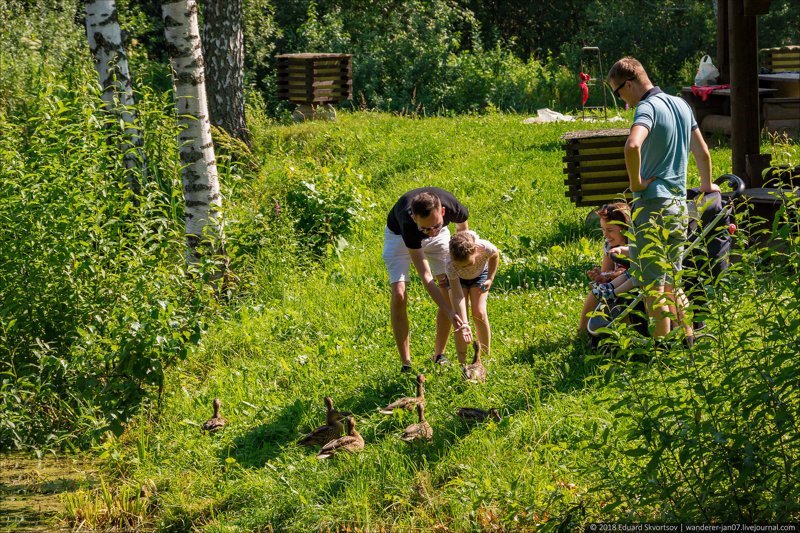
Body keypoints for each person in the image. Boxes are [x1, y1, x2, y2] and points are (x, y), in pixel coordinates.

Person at [607, 57, 719, 342]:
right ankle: (688, 340)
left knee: (652, 285)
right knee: (671, 280)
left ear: (629, 84)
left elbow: (632, 145)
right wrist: (707, 185)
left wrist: (636, 183)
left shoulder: (646, 108)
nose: (623, 101)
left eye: (618, 93)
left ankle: (661, 352)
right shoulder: (681, 105)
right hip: (679, 206)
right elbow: (703, 152)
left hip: (652, 206)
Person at [383, 187, 473, 373]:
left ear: (442, 212)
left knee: (447, 288)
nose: (431, 231)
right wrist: (449, 312)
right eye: (426, 228)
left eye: (436, 225)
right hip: (399, 238)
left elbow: (462, 231)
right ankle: (406, 364)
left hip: (438, 238)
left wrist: (458, 258)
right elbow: (425, 275)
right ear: (415, 218)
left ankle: (439, 355)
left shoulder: (453, 207)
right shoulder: (409, 224)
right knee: (399, 294)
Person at [577, 203, 633, 334]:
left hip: (632, 283)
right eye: (603, 230)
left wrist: (613, 276)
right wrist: (602, 276)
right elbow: (606, 271)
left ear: (625, 229)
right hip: (615, 284)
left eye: (610, 230)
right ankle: (582, 332)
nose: (606, 235)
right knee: (595, 291)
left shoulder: (634, 245)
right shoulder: (610, 244)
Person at [445, 231, 500, 363]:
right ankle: (462, 361)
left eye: (468, 264)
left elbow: (495, 256)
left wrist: (490, 279)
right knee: (459, 319)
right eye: (461, 266)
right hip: (459, 281)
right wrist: (464, 324)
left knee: (479, 313)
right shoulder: (450, 264)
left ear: (475, 250)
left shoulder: (484, 247)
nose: (465, 268)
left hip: (480, 275)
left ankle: (485, 356)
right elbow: (458, 296)